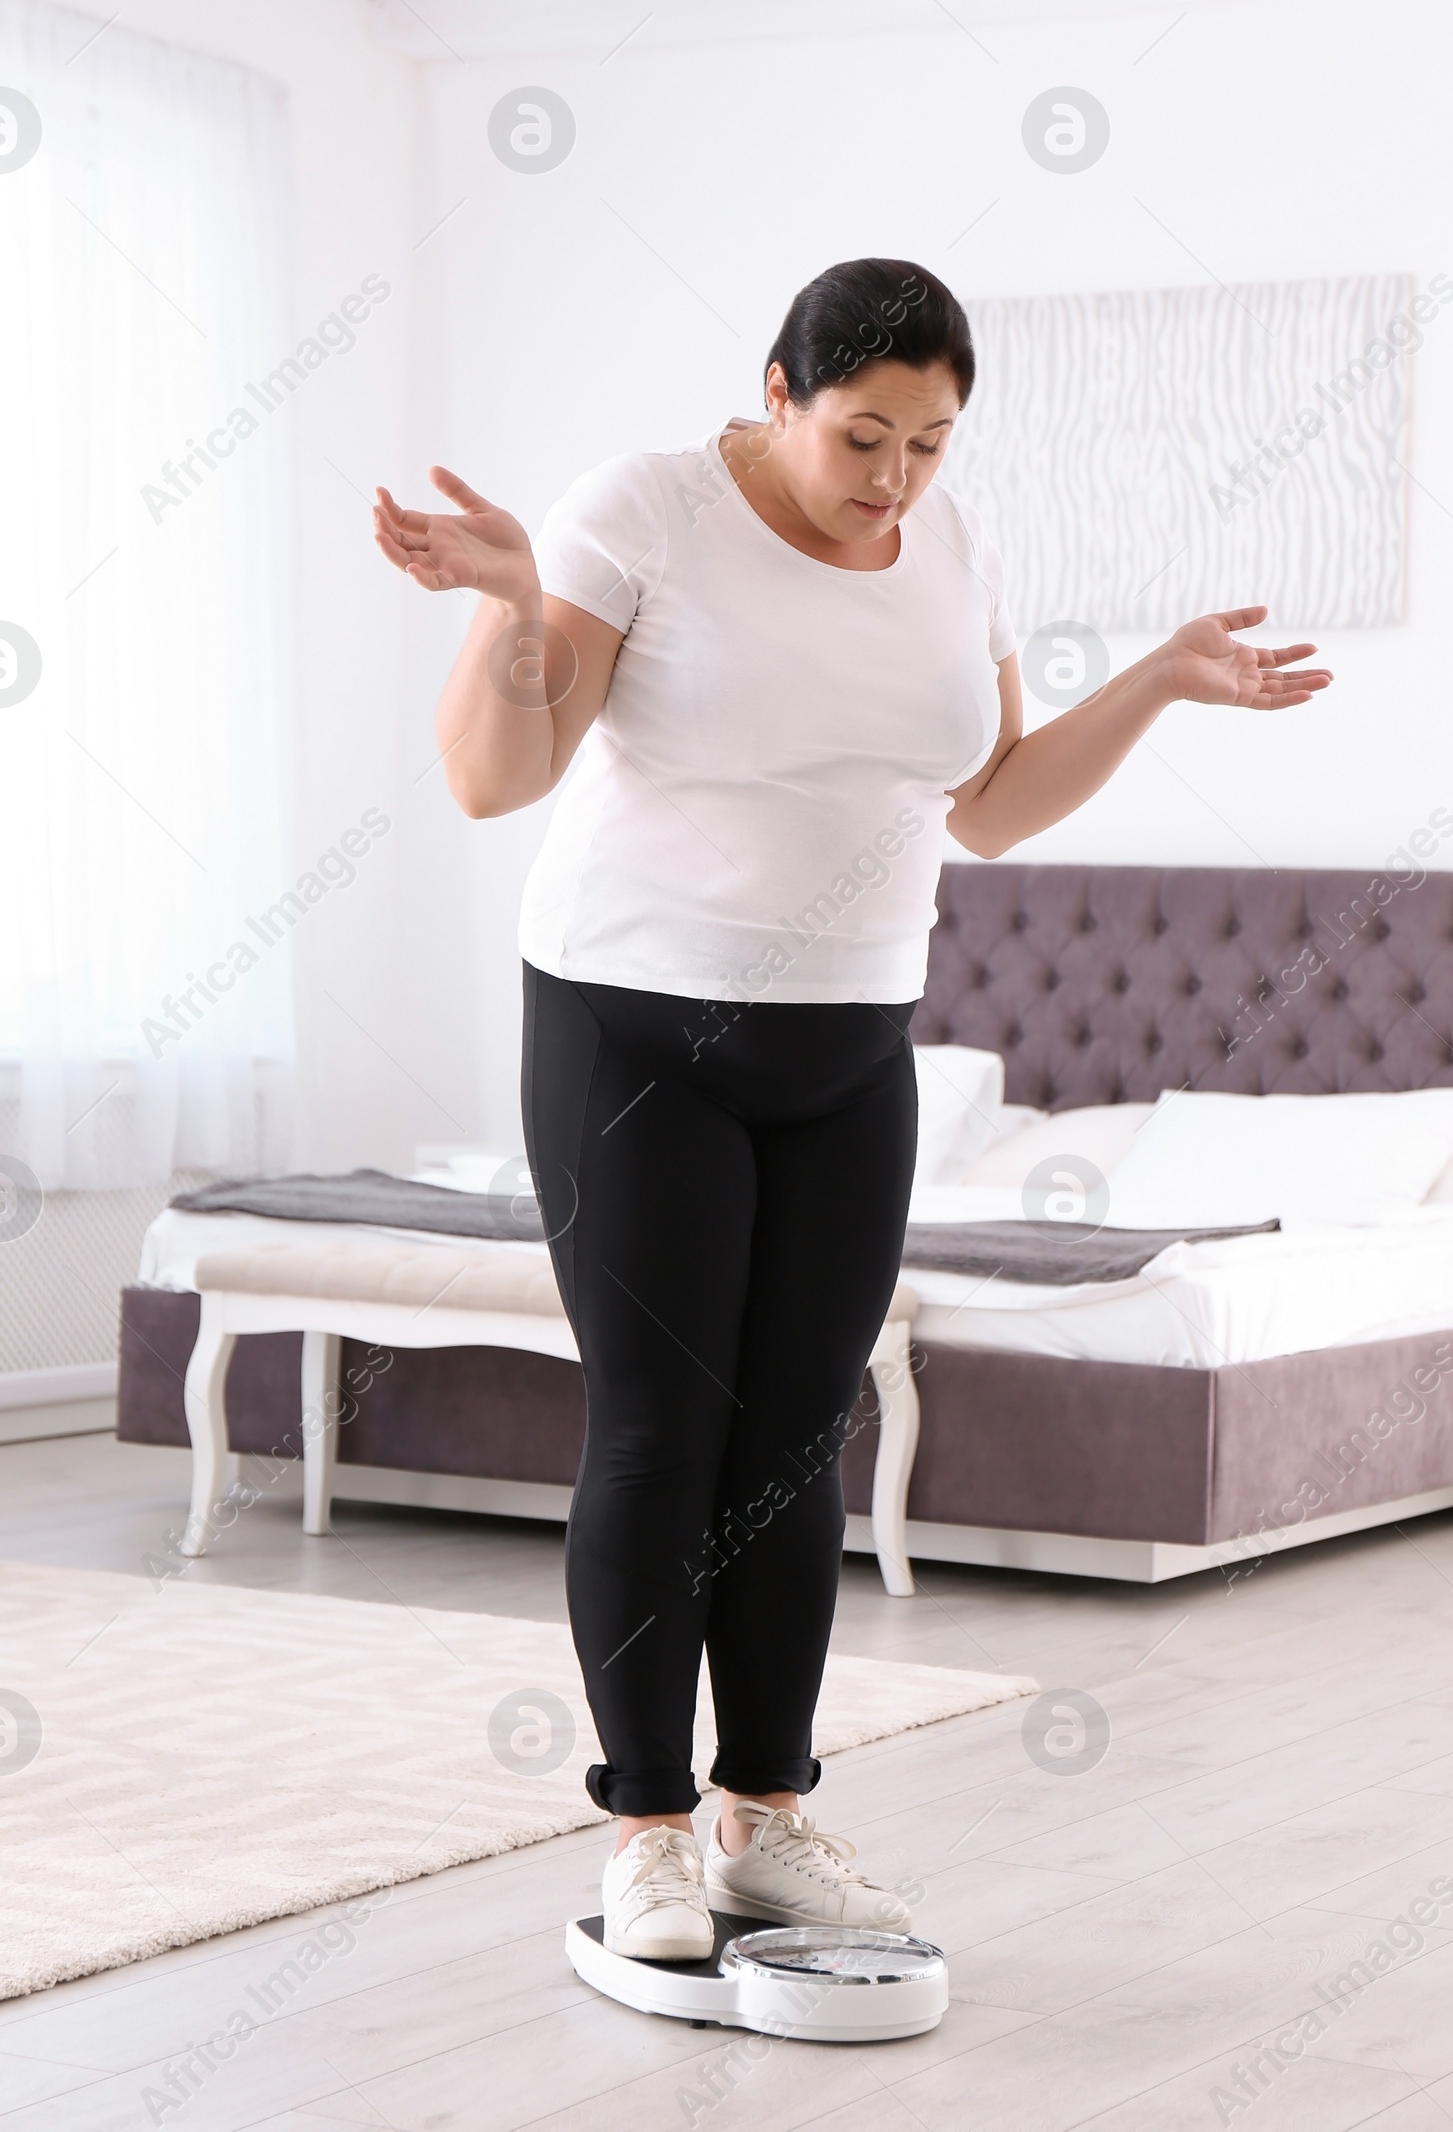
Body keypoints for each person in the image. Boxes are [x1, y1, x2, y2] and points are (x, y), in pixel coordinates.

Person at [373, 257, 1331, 1959]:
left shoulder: (955, 550)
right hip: (632, 1026)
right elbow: (490, 777)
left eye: (933, 443)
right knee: (663, 1431)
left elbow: (994, 808)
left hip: (849, 1044)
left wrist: (1164, 680)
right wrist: (516, 606)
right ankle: (650, 1835)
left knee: (799, 1437)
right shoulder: (646, 511)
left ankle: (770, 1815)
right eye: (864, 435)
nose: (894, 479)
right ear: (776, 393)